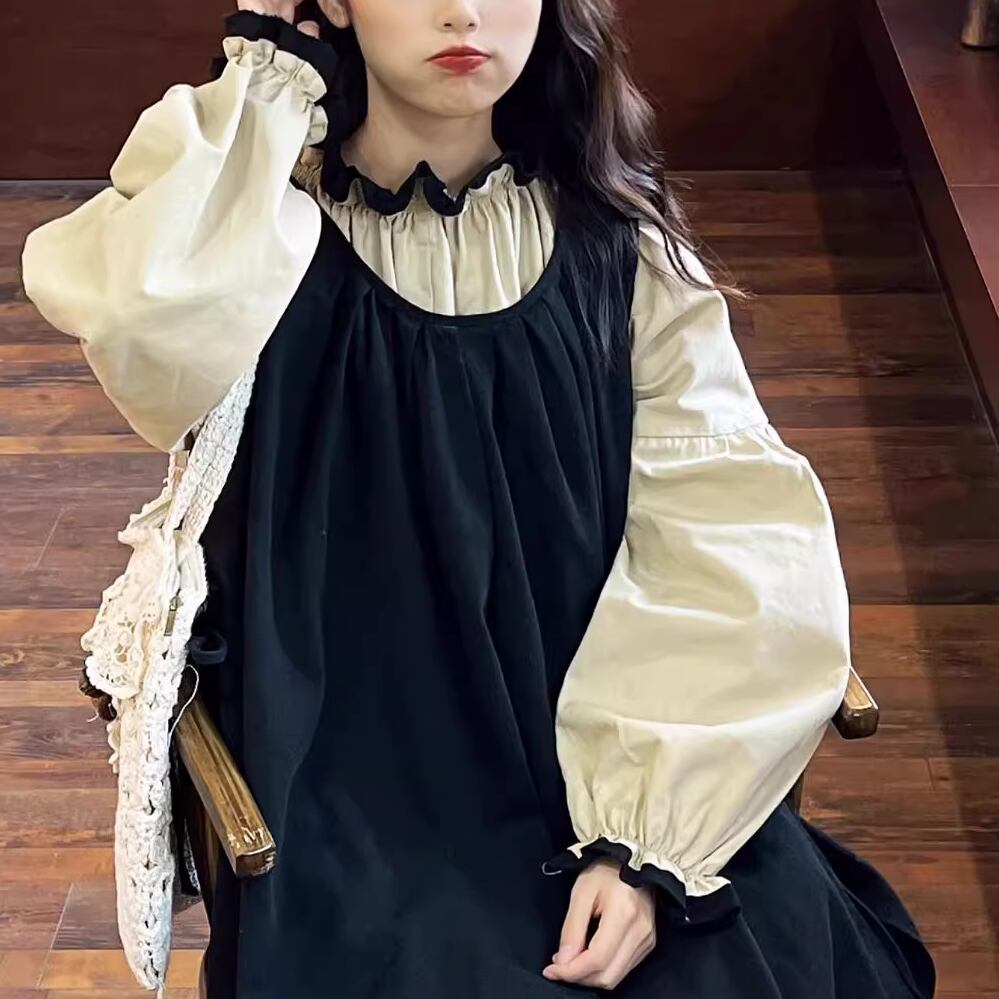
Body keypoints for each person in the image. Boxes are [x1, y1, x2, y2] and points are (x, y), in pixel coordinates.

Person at [20, 1, 938, 997]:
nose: (462, 11)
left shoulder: (617, 249)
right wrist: (271, 78)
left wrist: (642, 849)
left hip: (615, 733)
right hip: (355, 796)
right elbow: (137, 317)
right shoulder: (252, 242)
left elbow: (724, 526)